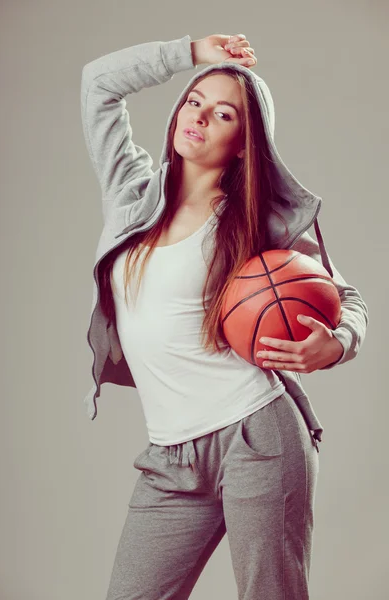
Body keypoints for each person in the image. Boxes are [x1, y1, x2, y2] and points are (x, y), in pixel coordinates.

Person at [80, 33, 369, 600]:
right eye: (194, 102)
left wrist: (335, 342)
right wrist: (190, 53)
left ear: (243, 142)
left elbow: (348, 299)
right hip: (171, 454)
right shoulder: (132, 193)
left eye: (223, 114)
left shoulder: (253, 219)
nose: (199, 118)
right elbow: (98, 84)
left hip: (258, 434)